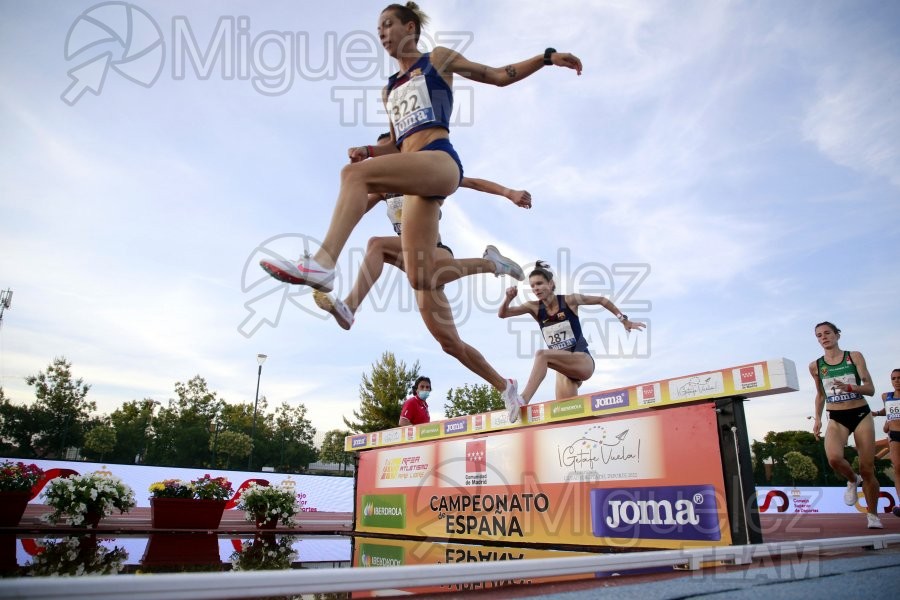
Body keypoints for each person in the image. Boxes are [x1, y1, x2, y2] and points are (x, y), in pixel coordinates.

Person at [260, 2, 582, 412]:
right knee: (421, 278)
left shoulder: (439, 59)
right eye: (377, 28)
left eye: (388, 24)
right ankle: (494, 298)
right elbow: (395, 144)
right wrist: (369, 148)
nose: (381, 33)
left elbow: (498, 76)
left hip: (441, 161)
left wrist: (547, 57)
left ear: (410, 27)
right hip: (417, 187)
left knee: (353, 176)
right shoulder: (389, 88)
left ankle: (323, 263)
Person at [313, 133, 532, 330]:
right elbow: (357, 207)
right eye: (376, 158)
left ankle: (350, 306)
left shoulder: (427, 175)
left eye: (384, 154)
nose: (379, 161)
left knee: (376, 244)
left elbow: (473, 183)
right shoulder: (383, 189)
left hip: (435, 248)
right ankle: (493, 264)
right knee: (451, 345)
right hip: (410, 255)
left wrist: (509, 192)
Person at [497, 260, 644, 420]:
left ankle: (522, 399)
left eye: (539, 284)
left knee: (542, 355)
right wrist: (508, 298)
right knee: (567, 414)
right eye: (532, 286)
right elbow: (503, 314)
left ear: (551, 283)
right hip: (564, 369)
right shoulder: (534, 307)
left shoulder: (569, 301)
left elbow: (602, 300)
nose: (536, 289)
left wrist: (623, 320)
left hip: (582, 361)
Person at [809, 321, 882, 529]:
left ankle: (873, 515)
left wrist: (849, 386)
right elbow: (821, 394)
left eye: (827, 333)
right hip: (836, 416)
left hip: (860, 413)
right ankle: (852, 479)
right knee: (833, 458)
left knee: (867, 468)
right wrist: (817, 418)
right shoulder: (815, 366)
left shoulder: (854, 356)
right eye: (819, 335)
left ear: (837, 335)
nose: (824, 337)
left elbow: (870, 389)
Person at [871, 368, 900, 517]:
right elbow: (888, 410)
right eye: (894, 378)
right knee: (898, 468)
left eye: (899, 378)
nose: (897, 381)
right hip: (895, 435)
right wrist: (877, 414)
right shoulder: (886, 396)